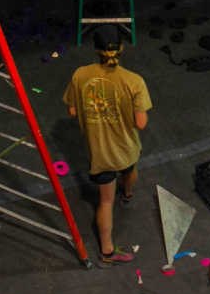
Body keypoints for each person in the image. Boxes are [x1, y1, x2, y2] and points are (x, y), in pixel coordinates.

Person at [64, 24, 151, 265]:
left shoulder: (80, 74)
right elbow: (141, 123)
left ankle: (108, 251)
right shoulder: (134, 81)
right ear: (121, 49)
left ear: (96, 50)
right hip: (125, 148)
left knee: (105, 202)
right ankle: (128, 194)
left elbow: (72, 111)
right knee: (130, 171)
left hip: (99, 152)